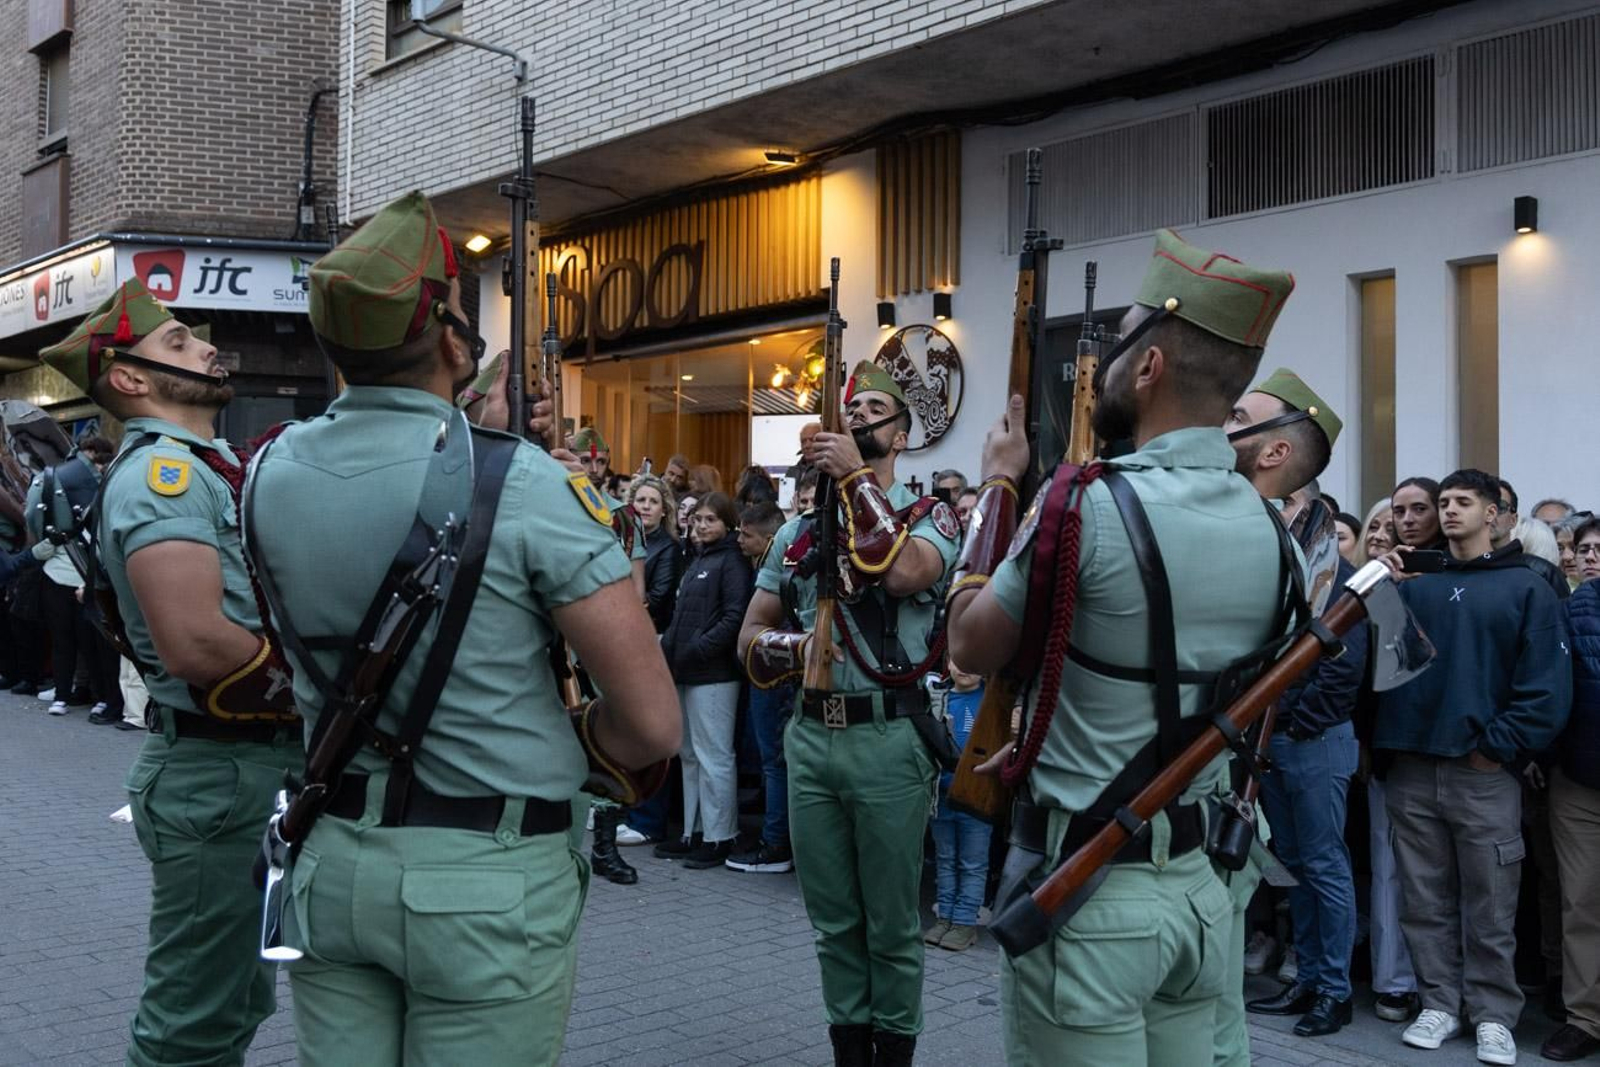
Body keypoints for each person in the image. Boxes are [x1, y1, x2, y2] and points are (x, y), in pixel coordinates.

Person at [246, 192, 679, 1065]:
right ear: (452, 339)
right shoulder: (520, 481)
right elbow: (652, 725)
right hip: (486, 880)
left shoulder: (266, 469)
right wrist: (578, 731)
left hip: (332, 861)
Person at [948, 229, 1297, 1067]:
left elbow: (966, 641)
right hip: (1203, 900)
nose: (1092, 368)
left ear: (1148, 369)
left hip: (1089, 898)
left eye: (1114, 345)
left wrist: (999, 485)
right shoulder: (1274, 528)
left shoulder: (1085, 506)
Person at [40, 278, 305, 1067]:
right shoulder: (167, 475)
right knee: (194, 1017)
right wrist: (331, 691)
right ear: (128, 377)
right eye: (179, 342)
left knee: (236, 995)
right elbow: (195, 641)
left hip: (242, 766)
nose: (207, 347)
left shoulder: (208, 463)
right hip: (217, 774)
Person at [739, 360, 960, 1066]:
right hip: (810, 736)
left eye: (874, 409)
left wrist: (854, 481)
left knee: (891, 924)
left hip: (889, 738)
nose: (859, 416)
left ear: (900, 434)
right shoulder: (799, 531)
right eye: (851, 407)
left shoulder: (934, 515)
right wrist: (798, 644)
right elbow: (748, 639)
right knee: (833, 922)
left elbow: (903, 572)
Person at [1374, 468, 1572, 1065]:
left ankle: (1493, 1015)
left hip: (1483, 772)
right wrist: (1380, 587)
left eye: (1463, 501)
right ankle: (1440, 1003)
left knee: (1490, 905)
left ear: (1493, 512)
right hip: (1411, 766)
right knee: (1423, 899)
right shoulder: (1409, 584)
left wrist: (1499, 748)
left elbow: (1546, 688)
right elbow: (1380, 669)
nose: (1450, 510)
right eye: (1444, 502)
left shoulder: (1528, 586)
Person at [1227, 370, 1364, 1040]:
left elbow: (1342, 671)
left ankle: (1334, 990)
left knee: (1324, 864)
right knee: (1298, 869)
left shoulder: (1335, 571)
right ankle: (1307, 977)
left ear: (1304, 504)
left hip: (1312, 739)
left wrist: (1289, 721)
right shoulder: (1279, 562)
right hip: (1273, 736)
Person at [658, 491, 753, 869]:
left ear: (727, 522)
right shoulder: (699, 559)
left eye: (709, 519)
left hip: (713, 674)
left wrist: (697, 648)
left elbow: (734, 617)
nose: (700, 525)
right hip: (686, 670)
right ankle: (692, 832)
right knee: (690, 756)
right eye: (697, 519)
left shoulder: (731, 562)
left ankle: (720, 836)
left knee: (714, 757)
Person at [1543, 516, 1600, 1062]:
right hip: (1580, 782)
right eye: (1586, 548)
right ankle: (1587, 1017)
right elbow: (1553, 690)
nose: (1591, 556)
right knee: (1581, 901)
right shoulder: (1572, 609)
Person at [726, 498, 796, 875]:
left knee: (775, 760)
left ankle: (775, 843)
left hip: (773, 673)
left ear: (771, 539)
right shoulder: (754, 567)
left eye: (746, 534)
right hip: (763, 672)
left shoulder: (782, 573)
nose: (739, 539)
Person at [924, 658, 991, 952]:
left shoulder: (993, 700)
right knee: (946, 859)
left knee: (973, 863)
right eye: (957, 659)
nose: (964, 666)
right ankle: (945, 918)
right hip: (942, 796)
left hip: (978, 798)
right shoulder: (938, 697)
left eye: (971, 659)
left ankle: (964, 923)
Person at [631, 474, 681, 633]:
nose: (646, 506)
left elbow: (657, 598)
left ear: (664, 510)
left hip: (652, 629)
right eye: (641, 500)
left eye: (653, 501)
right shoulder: (620, 539)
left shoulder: (669, 546)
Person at [1392, 477, 1444, 550]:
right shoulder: (1385, 559)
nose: (1407, 520)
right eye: (1400, 512)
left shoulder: (1461, 558)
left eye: (1419, 509)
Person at [1358, 498, 1395, 566]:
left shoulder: (1412, 576)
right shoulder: (1350, 573)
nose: (1378, 536)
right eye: (1374, 527)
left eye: (1390, 530)